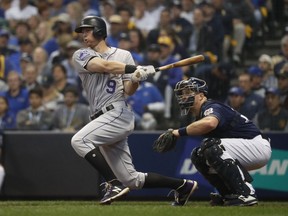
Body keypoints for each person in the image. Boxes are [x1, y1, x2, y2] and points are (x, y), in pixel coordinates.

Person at [71, 15, 197, 206]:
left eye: (87, 30)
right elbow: (103, 66)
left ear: (99, 31)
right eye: (82, 32)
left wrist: (137, 78)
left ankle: (112, 184)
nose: (83, 35)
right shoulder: (81, 54)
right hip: (101, 117)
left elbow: (128, 90)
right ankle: (183, 185)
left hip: (117, 112)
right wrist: (134, 68)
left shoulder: (123, 54)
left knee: (79, 140)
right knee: (132, 180)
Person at [167, 77, 271, 206]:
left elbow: (211, 123)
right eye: (182, 93)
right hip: (244, 148)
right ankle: (229, 194)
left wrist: (178, 132)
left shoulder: (211, 106)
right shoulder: (200, 114)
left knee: (211, 146)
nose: (184, 96)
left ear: (200, 95)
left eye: (188, 92)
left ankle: (246, 193)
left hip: (256, 145)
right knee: (198, 155)